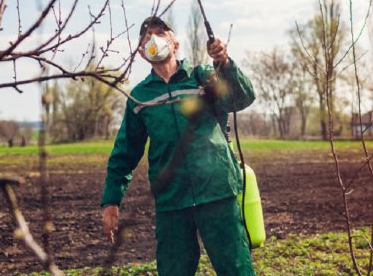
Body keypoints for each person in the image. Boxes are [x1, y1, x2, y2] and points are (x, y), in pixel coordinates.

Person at [100, 15, 256, 275]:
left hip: (217, 192)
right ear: (141, 52)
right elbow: (125, 152)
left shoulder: (202, 77)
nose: (154, 39)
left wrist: (224, 63)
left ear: (175, 45)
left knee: (235, 269)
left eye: (160, 33)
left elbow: (242, 97)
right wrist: (111, 201)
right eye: (147, 36)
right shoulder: (140, 97)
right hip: (171, 200)